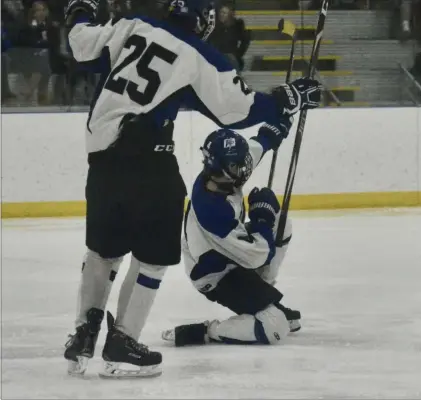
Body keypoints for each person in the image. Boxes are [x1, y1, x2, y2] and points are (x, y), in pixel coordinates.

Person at [62, 0, 322, 379]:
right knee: (151, 259)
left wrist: (80, 11)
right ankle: (122, 343)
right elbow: (237, 108)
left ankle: (83, 334)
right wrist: (287, 99)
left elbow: (81, 43)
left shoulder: (133, 26)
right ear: (203, 22)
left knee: (103, 251)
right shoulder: (198, 54)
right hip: (149, 159)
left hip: (101, 160)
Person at [161, 119, 302, 347]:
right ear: (223, 169)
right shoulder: (213, 212)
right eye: (238, 165)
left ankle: (264, 297)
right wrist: (261, 218)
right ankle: (207, 331)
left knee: (282, 224)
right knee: (274, 328)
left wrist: (272, 131)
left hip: (229, 254)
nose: (245, 168)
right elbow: (258, 254)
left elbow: (252, 152)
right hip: (216, 274)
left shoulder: (223, 175)